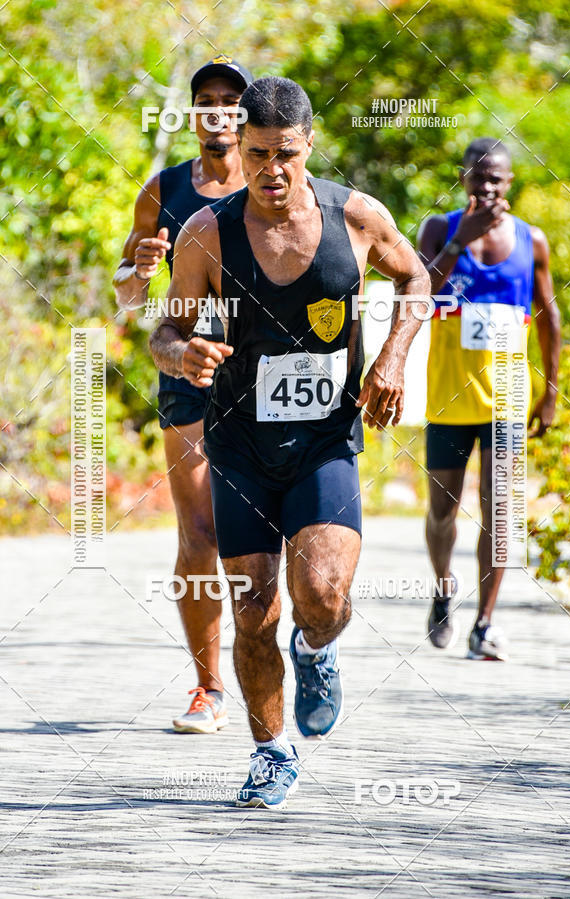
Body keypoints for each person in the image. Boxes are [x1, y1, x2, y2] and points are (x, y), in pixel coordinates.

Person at [150, 75, 430, 807]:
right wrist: (181, 355)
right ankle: (272, 752)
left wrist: (394, 355)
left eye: (285, 154)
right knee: (253, 609)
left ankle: (317, 649)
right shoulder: (207, 234)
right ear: (236, 150)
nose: (271, 171)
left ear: (309, 146)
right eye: (256, 154)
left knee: (324, 594)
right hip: (239, 445)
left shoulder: (358, 217)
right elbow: (166, 329)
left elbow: (417, 277)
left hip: (325, 439)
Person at [113, 56, 254, 733]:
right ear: (194, 113)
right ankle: (209, 687)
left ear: (247, 113)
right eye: (208, 100)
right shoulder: (164, 188)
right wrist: (137, 269)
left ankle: (281, 650)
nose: (219, 110)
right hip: (186, 366)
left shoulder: (272, 176)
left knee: (259, 532)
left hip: (259, 373)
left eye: (232, 99)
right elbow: (128, 290)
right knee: (198, 530)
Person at [418, 137, 560, 660]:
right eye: (478, 178)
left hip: (506, 401)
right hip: (447, 400)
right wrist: (460, 243)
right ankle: (442, 587)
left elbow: (550, 318)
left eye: (496, 179)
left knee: (499, 514)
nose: (487, 187)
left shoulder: (531, 240)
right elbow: (418, 292)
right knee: (442, 512)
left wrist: (549, 394)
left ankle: (484, 622)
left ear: (510, 183)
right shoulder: (439, 229)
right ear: (463, 180)